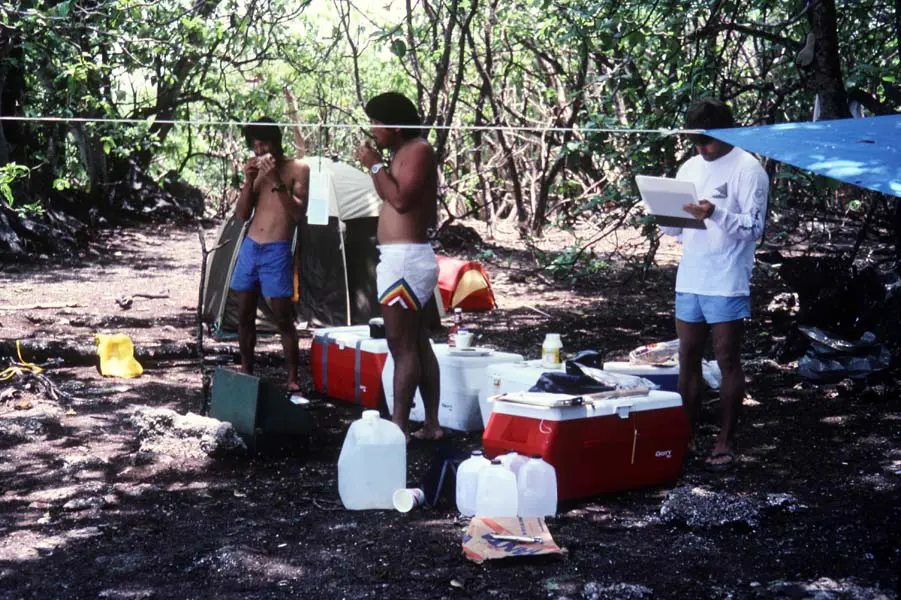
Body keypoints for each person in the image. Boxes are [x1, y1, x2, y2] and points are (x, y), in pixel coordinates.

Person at [660, 98, 769, 472]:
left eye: (707, 141)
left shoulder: (748, 169)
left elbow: (754, 229)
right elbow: (675, 229)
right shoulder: (689, 167)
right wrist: (663, 213)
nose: (701, 149)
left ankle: (726, 440)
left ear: (726, 132)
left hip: (727, 278)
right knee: (687, 357)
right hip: (691, 275)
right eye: (695, 141)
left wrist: (716, 213)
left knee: (726, 359)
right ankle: (686, 435)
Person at [353, 92, 442, 442]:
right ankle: (431, 425)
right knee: (416, 342)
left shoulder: (419, 150)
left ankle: (399, 428)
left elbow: (401, 200)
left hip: (406, 259)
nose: (373, 129)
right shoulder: (401, 152)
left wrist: (375, 164)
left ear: (396, 125)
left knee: (401, 345)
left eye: (377, 123)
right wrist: (377, 165)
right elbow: (388, 193)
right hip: (399, 258)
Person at [230, 116, 310, 392]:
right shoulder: (256, 171)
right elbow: (242, 215)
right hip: (251, 246)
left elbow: (297, 213)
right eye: (255, 145)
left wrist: (275, 178)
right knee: (244, 314)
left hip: (277, 249)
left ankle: (292, 378)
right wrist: (249, 180)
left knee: (283, 317)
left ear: (276, 141)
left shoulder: (299, 168)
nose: (259, 150)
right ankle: (246, 370)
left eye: (263, 144)